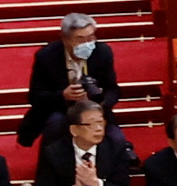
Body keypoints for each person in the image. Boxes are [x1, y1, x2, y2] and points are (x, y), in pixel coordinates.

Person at [17, 15, 121, 149]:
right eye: (80, 39)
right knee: (56, 126)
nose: (87, 43)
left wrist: (99, 102)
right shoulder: (47, 56)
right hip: (58, 109)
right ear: (65, 39)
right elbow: (35, 96)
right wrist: (62, 96)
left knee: (116, 138)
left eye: (90, 37)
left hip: (94, 110)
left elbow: (113, 90)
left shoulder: (102, 52)